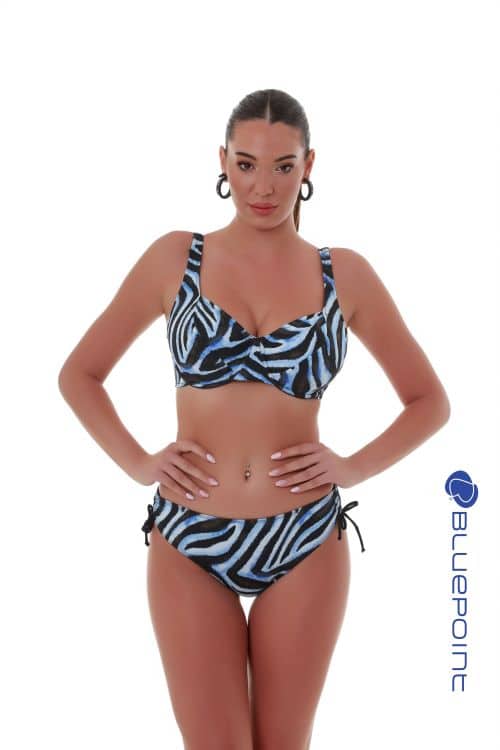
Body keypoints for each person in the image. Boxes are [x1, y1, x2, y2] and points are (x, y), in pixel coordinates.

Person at [58, 88, 451, 750]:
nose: (262, 187)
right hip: (189, 537)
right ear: (222, 161)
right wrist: (138, 462)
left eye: (282, 166)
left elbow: (429, 401)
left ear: (309, 166)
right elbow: (80, 374)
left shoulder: (344, 275)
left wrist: (353, 467)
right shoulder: (175, 258)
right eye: (245, 165)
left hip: (304, 538)